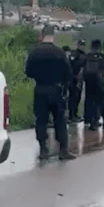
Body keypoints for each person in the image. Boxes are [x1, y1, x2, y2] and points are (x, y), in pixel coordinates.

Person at [25, 24, 75, 160]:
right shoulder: (60, 53)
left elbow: (28, 72)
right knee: (60, 119)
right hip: (57, 90)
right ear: (54, 35)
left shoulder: (34, 53)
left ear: (42, 35)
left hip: (40, 89)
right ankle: (63, 150)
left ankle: (43, 149)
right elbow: (69, 74)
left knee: (41, 120)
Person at [82, 39, 104, 131]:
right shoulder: (103, 57)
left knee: (90, 101)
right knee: (102, 102)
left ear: (91, 46)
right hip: (100, 83)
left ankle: (93, 122)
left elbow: (82, 70)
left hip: (89, 83)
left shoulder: (86, 56)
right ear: (100, 47)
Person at [66, 39, 87, 122]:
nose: (82, 46)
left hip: (80, 78)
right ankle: (72, 115)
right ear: (78, 45)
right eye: (81, 44)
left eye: (83, 45)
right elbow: (70, 64)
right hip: (73, 78)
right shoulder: (74, 53)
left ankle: (75, 114)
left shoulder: (84, 55)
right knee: (73, 97)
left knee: (77, 97)